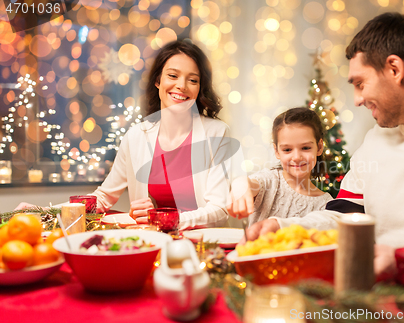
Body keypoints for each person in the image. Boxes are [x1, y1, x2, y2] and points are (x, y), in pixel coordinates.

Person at [244, 12, 404, 289]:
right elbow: (343, 217)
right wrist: (285, 228)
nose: (357, 100)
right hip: (376, 305)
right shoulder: (376, 141)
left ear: (394, 69)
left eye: (360, 83)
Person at [17, 40, 242, 230]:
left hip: (203, 248)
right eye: (172, 75)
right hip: (149, 243)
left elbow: (220, 209)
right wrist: (44, 212)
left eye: (192, 80)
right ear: (158, 81)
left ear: (199, 88)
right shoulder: (137, 135)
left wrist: (164, 220)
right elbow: (104, 197)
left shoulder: (217, 133)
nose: (181, 86)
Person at [227, 107, 333, 227]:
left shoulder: (325, 204)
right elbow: (250, 183)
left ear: (319, 147)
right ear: (277, 151)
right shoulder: (269, 180)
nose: (297, 157)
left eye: (305, 148)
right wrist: (240, 184)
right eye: (287, 150)